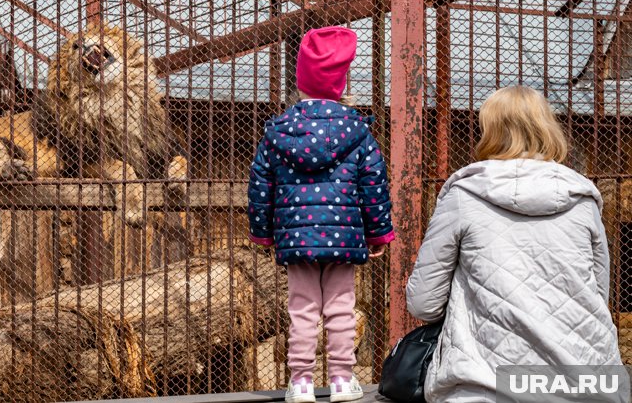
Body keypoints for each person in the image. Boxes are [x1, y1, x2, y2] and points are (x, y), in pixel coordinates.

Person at [406, 85, 626, 402]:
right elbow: (597, 292)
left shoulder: (463, 194)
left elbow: (424, 303)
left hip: (487, 383)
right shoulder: (583, 199)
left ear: (490, 130)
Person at [247, 26, 394, 403]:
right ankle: (343, 381)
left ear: (301, 82)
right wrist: (378, 234)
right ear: (341, 85)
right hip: (345, 238)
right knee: (342, 308)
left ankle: (300, 383)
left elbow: (260, 188)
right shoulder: (358, 132)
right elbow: (374, 187)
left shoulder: (278, 133)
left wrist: (263, 234)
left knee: (302, 309)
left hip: (296, 238)